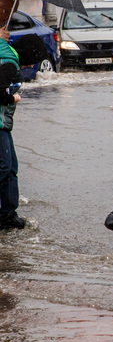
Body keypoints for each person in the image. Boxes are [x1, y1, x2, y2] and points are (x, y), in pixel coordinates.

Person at [0, 28, 48, 230]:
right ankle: (5, 215)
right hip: (0, 124)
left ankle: (8, 214)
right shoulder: (10, 63)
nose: (31, 66)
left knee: (11, 168)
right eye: (33, 60)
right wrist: (13, 98)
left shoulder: (5, 51)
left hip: (4, 124)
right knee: (4, 167)